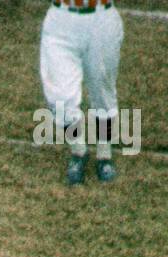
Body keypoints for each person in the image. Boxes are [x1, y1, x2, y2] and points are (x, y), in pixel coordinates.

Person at [39, 0, 124, 184]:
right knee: (59, 96)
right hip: (60, 20)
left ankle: (104, 155)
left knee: (103, 91)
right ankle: (78, 152)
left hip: (101, 18)